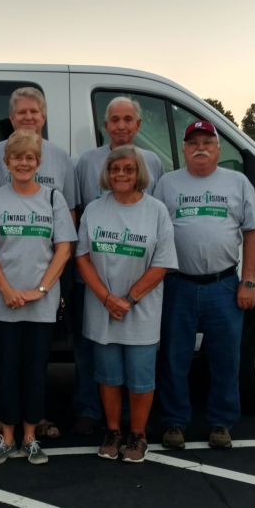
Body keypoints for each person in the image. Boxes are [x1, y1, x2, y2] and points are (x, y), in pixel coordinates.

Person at [0, 86, 76, 442]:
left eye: (35, 112)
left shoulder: (60, 163)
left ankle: (31, 425)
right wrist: (6, 288)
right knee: (4, 365)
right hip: (3, 289)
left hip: (41, 289)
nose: (29, 117)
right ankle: (4, 423)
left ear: (43, 117)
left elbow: (66, 237)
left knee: (35, 366)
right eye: (22, 112)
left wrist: (42, 288)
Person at [154, 120, 255, 450]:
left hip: (225, 285)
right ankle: (174, 422)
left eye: (207, 142)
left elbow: (252, 232)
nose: (200, 147)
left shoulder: (238, 182)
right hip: (178, 285)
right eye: (193, 143)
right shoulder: (166, 184)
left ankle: (221, 422)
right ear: (184, 150)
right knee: (175, 358)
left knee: (225, 358)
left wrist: (249, 280)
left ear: (218, 148)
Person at [70, 96, 167, 435]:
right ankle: (91, 411)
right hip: (97, 280)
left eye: (129, 119)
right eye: (115, 119)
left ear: (138, 125)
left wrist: (130, 297)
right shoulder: (86, 162)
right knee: (94, 353)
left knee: (136, 360)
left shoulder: (153, 161)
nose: (122, 125)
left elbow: (155, 222)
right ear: (105, 125)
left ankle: (132, 423)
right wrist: (105, 293)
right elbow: (80, 210)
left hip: (137, 286)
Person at [75, 145, 178, 463]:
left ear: (139, 174)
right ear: (107, 172)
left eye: (128, 169)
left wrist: (129, 299)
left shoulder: (156, 210)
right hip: (104, 308)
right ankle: (113, 430)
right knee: (108, 376)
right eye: (115, 168)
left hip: (140, 309)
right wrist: (107, 299)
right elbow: (82, 256)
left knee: (140, 377)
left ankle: (138, 434)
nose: (121, 174)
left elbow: (162, 263)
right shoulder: (94, 209)